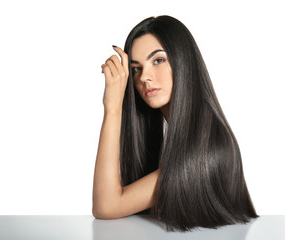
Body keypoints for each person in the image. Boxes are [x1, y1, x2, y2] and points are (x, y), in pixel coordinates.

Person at [92, 15, 259, 232]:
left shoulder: (207, 150)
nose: (144, 77)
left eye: (158, 60)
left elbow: (107, 206)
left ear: (183, 61)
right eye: (135, 69)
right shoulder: (174, 140)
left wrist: (113, 107)